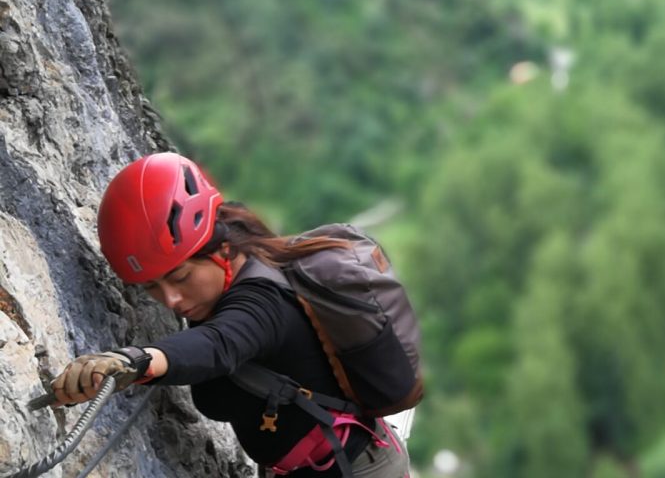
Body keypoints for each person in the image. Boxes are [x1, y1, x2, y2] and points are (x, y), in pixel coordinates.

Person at [47, 152, 410, 477]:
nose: (171, 299)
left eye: (181, 277)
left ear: (220, 250)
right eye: (151, 288)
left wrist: (137, 361)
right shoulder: (235, 259)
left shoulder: (263, 303)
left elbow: (219, 343)